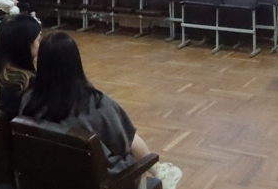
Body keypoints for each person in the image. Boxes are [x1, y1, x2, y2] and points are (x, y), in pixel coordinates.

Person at [19, 32, 182, 189]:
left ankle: (160, 170)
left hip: (48, 179)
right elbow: (122, 145)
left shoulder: (27, 101)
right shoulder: (97, 104)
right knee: (131, 149)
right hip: (101, 182)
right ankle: (160, 171)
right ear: (76, 62)